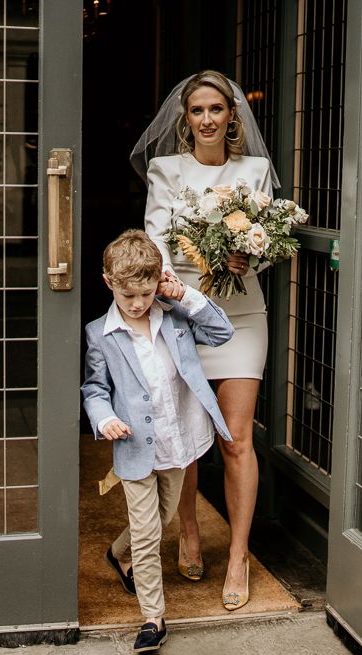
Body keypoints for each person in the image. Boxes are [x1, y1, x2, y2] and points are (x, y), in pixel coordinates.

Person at [129, 70, 278, 611]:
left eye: (217, 109)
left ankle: (238, 554)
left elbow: (267, 238)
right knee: (189, 439)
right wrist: (171, 286)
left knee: (235, 440)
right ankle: (189, 529)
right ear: (184, 118)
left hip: (241, 316)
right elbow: (155, 237)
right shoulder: (165, 169)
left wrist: (248, 256)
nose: (208, 119)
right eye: (198, 111)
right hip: (183, 315)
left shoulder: (255, 171)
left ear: (232, 115)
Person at [81, 229, 234, 653]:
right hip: (134, 446)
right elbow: (94, 389)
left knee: (164, 516)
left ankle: (117, 551)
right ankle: (153, 617)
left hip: (177, 438)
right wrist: (106, 417)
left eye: (146, 293)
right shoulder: (100, 333)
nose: (137, 304)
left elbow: (222, 333)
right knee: (149, 534)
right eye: (128, 295)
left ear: (158, 282)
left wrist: (183, 294)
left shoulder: (174, 315)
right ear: (109, 282)